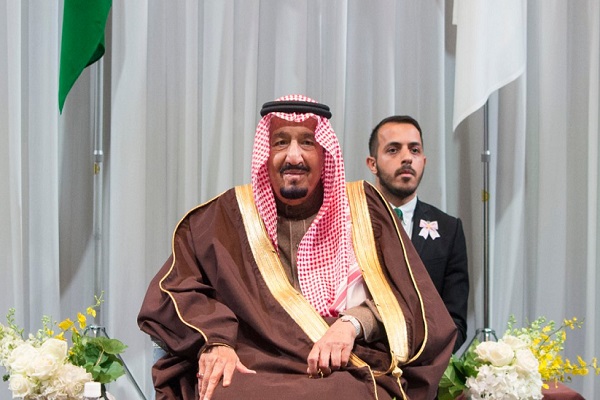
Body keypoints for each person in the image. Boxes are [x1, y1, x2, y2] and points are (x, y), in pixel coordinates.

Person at [138, 96, 456, 400]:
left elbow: (411, 300)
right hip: (255, 361)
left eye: (307, 142)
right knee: (223, 389)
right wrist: (216, 340)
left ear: (325, 153)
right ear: (265, 153)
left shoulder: (364, 209)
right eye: (280, 142)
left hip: (342, 365)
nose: (293, 156)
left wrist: (353, 323)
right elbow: (174, 290)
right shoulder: (226, 216)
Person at [366, 115, 469, 353]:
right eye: (393, 150)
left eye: (414, 150)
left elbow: (455, 321)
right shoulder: (351, 220)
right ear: (372, 164)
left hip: (425, 363)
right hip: (362, 362)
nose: (407, 158)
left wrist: (424, 361)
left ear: (424, 160)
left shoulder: (449, 229)